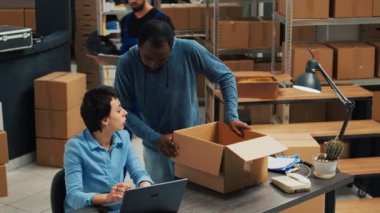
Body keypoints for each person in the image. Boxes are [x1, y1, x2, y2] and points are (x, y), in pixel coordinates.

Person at [114, 20, 250, 184]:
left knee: (196, 198)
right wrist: (155, 138)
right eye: (147, 58)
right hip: (155, 148)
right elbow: (123, 110)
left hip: (192, 142)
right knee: (161, 200)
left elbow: (225, 76)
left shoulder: (189, 49)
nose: (153, 64)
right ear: (139, 45)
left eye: (162, 59)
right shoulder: (126, 63)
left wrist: (231, 115)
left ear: (173, 47)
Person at [64, 86, 153, 212]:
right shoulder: (75, 147)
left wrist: (145, 185)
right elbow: (74, 197)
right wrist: (107, 198)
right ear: (105, 120)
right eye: (118, 110)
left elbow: (138, 172)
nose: (125, 112)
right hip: (88, 209)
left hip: (115, 207)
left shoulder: (124, 137)